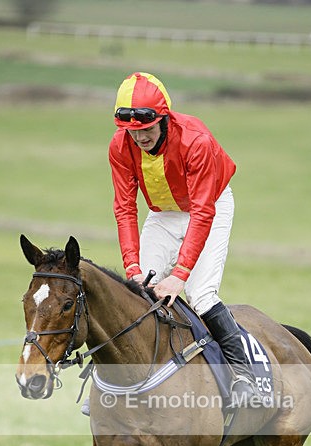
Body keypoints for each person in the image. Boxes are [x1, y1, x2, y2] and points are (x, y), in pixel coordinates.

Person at [108, 71, 261, 406]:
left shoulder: (196, 140)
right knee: (138, 292)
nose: (140, 138)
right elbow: (124, 209)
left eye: (146, 129)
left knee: (201, 294)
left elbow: (203, 213)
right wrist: (132, 266)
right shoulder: (120, 146)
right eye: (132, 131)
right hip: (164, 213)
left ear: (163, 118)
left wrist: (179, 276)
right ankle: (132, 384)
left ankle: (246, 376)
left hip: (209, 205)